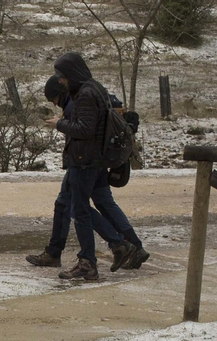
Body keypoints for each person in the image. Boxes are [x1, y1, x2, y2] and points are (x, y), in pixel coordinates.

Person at [43, 53, 150, 280]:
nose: (61, 81)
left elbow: (84, 129)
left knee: (77, 208)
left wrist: (59, 124)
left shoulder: (83, 96)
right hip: (94, 159)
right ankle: (130, 245)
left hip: (84, 160)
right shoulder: (95, 90)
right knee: (100, 202)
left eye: (62, 77)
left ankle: (106, 251)